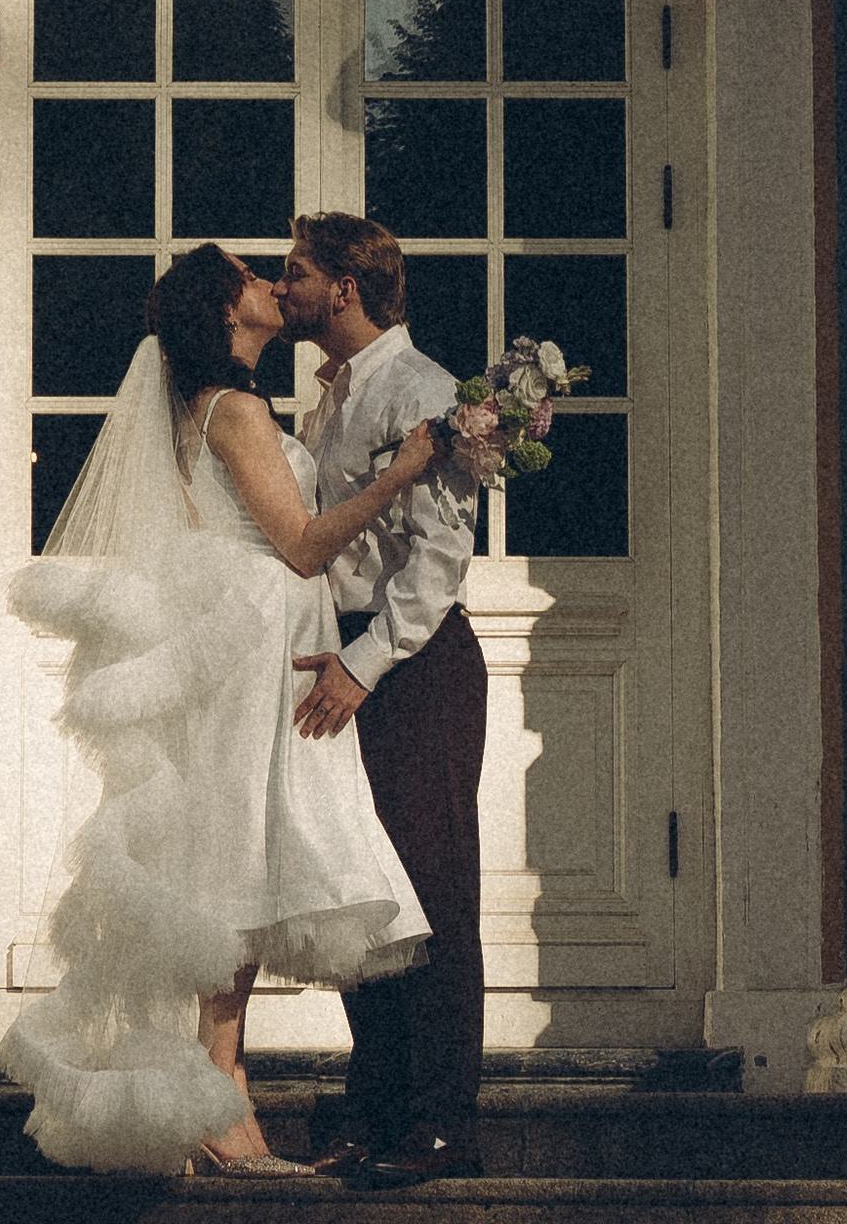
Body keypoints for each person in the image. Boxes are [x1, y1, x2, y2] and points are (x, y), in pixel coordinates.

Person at [0, 245, 440, 1174]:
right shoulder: (234, 410)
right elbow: (303, 544)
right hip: (257, 637)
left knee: (235, 860)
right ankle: (221, 1096)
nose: (274, 286)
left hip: (252, 633)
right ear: (224, 309)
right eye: (252, 276)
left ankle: (222, 1094)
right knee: (240, 859)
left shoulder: (213, 405)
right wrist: (401, 475)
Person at [282, 214, 486, 1189]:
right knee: (365, 896)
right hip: (346, 659)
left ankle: (442, 1121)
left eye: (296, 274)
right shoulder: (329, 397)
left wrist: (362, 664)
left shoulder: (424, 392)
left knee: (431, 893)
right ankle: (374, 1110)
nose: (283, 290)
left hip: (414, 661)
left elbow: (438, 562)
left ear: (344, 290)